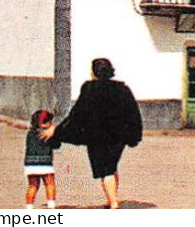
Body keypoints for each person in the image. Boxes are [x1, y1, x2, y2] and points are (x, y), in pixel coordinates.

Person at [47, 58, 142, 210]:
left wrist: (57, 131)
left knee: (106, 170)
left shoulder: (90, 88)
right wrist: (134, 135)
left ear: (94, 72)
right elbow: (133, 113)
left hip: (98, 138)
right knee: (112, 166)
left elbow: (76, 115)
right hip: (119, 137)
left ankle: (113, 203)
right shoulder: (123, 89)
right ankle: (112, 199)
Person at [24, 109, 59, 210]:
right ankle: (51, 206)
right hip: (45, 163)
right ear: (44, 123)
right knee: (49, 184)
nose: (52, 124)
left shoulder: (30, 133)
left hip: (30, 163)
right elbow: (56, 145)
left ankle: (29, 207)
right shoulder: (47, 134)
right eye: (50, 122)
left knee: (32, 185)